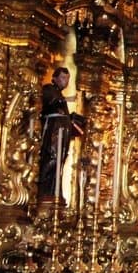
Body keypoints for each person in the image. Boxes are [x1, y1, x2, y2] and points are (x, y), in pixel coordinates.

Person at [38, 67, 85, 199]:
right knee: (52, 158)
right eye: (64, 78)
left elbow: (64, 114)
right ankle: (44, 188)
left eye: (68, 79)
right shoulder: (49, 89)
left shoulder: (61, 96)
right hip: (53, 132)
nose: (66, 82)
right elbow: (50, 102)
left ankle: (54, 189)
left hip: (63, 132)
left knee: (60, 160)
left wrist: (75, 119)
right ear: (55, 78)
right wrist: (67, 100)